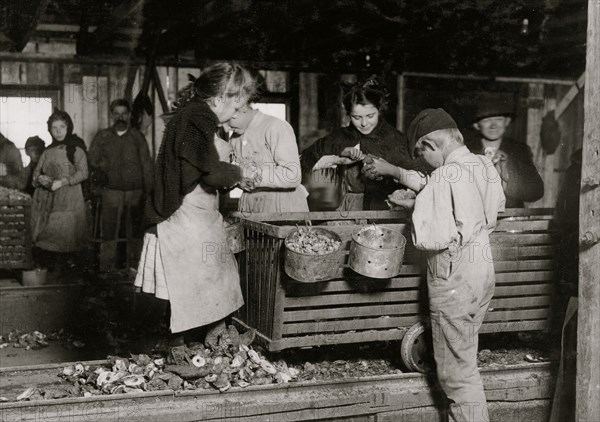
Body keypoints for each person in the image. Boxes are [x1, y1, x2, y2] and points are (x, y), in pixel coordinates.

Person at [369, 109, 506, 422]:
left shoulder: (444, 176)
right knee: (466, 365)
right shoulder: (481, 164)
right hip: (481, 269)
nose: (425, 163)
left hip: (453, 276)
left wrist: (417, 209)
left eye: (422, 154)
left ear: (430, 144)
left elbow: (431, 237)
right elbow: (491, 207)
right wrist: (423, 199)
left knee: (457, 377)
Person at [135, 62, 257, 347]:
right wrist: (239, 174)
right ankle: (181, 343)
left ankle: (211, 333)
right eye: (236, 105)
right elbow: (211, 171)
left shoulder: (192, 116)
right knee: (194, 279)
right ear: (218, 100)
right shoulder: (197, 118)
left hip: (192, 210)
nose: (236, 113)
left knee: (214, 273)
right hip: (184, 213)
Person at [300, 76, 431, 211]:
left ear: (379, 110)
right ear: (349, 114)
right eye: (357, 117)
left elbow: (419, 178)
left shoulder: (395, 138)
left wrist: (389, 172)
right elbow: (303, 161)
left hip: (386, 208)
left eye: (370, 116)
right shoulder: (340, 137)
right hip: (349, 206)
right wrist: (337, 158)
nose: (363, 123)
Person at [228, 73, 309, 213]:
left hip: (283, 206)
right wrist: (237, 180)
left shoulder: (275, 127)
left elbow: (292, 175)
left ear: (241, 108)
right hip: (251, 205)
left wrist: (250, 174)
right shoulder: (235, 137)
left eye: (227, 120)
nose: (225, 127)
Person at [88, 99, 154, 271]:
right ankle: (107, 271)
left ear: (129, 115)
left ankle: (135, 271)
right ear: (111, 115)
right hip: (111, 192)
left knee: (136, 234)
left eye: (124, 113)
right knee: (108, 233)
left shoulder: (137, 137)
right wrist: (98, 184)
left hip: (135, 193)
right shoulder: (102, 137)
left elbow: (146, 164)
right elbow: (92, 162)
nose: (120, 117)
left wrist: (149, 191)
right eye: (116, 113)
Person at [30, 111, 89, 270]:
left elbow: (83, 173)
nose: (58, 131)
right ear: (49, 130)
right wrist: (40, 180)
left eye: (62, 127)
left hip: (69, 199)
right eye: (54, 127)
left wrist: (63, 181)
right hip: (49, 201)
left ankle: (65, 279)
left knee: (66, 236)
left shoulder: (76, 150)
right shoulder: (47, 152)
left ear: (68, 127)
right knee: (49, 236)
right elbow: (36, 174)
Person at [465, 95, 544, 207]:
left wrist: (507, 181)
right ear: (477, 125)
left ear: (507, 122)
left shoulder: (519, 151)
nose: (493, 125)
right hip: (475, 217)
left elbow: (536, 192)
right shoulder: (466, 151)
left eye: (499, 119)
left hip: (510, 217)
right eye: (487, 120)